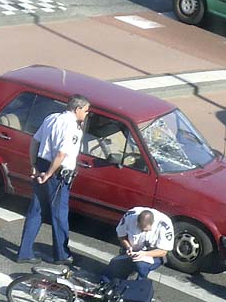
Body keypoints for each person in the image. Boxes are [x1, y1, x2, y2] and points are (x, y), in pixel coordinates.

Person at [17, 95, 90, 264]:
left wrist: (34, 165)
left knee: (36, 211)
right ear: (77, 109)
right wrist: (49, 174)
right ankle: (61, 255)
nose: (86, 114)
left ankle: (24, 252)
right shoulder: (73, 128)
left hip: (42, 164)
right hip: (56, 173)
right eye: (86, 111)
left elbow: (34, 141)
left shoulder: (51, 118)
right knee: (59, 215)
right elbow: (61, 154)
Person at [100, 207, 175, 283]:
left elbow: (163, 252)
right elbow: (121, 236)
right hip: (132, 250)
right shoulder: (129, 217)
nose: (142, 231)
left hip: (152, 254)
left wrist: (144, 254)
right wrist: (128, 247)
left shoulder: (164, 225)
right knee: (115, 264)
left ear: (153, 223)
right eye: (140, 228)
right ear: (136, 221)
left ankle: (139, 284)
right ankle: (112, 282)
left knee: (140, 265)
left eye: (145, 230)